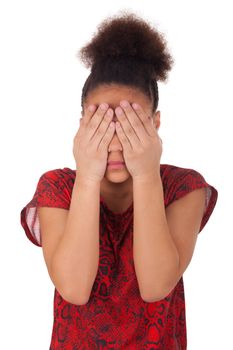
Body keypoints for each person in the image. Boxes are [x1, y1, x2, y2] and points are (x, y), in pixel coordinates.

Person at [20, 11, 218, 350]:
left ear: (155, 124)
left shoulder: (184, 188)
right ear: (82, 122)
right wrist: (87, 176)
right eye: (100, 121)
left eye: (129, 122)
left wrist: (145, 174)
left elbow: (156, 286)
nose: (114, 140)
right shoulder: (57, 187)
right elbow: (74, 288)